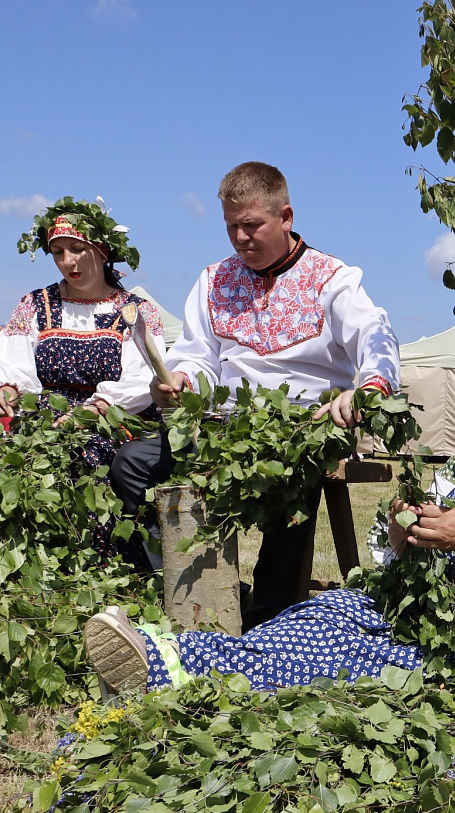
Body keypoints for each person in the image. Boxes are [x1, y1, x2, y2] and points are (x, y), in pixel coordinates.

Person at [85, 346, 455, 717]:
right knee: (315, 619)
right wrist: (409, 528)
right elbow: (405, 548)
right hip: (421, 610)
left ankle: (171, 668)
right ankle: (184, 659)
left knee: (352, 667)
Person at [109, 161, 399, 628]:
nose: (240, 237)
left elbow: (376, 337)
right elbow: (198, 354)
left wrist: (368, 389)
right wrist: (181, 380)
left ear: (285, 217)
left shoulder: (332, 278)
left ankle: (269, 613)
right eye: (231, 227)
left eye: (251, 225)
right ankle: (180, 589)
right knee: (132, 465)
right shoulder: (213, 281)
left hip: (305, 425)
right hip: (223, 424)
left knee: (293, 470)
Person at [0, 197, 163, 566]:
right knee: (12, 469)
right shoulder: (35, 304)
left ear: (103, 250)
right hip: (46, 420)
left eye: (78, 249)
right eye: (58, 251)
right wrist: (6, 388)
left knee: (87, 460)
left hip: (112, 422)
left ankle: (105, 569)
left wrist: (92, 412)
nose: (68, 261)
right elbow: (14, 361)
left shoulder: (132, 309)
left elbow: (143, 377)